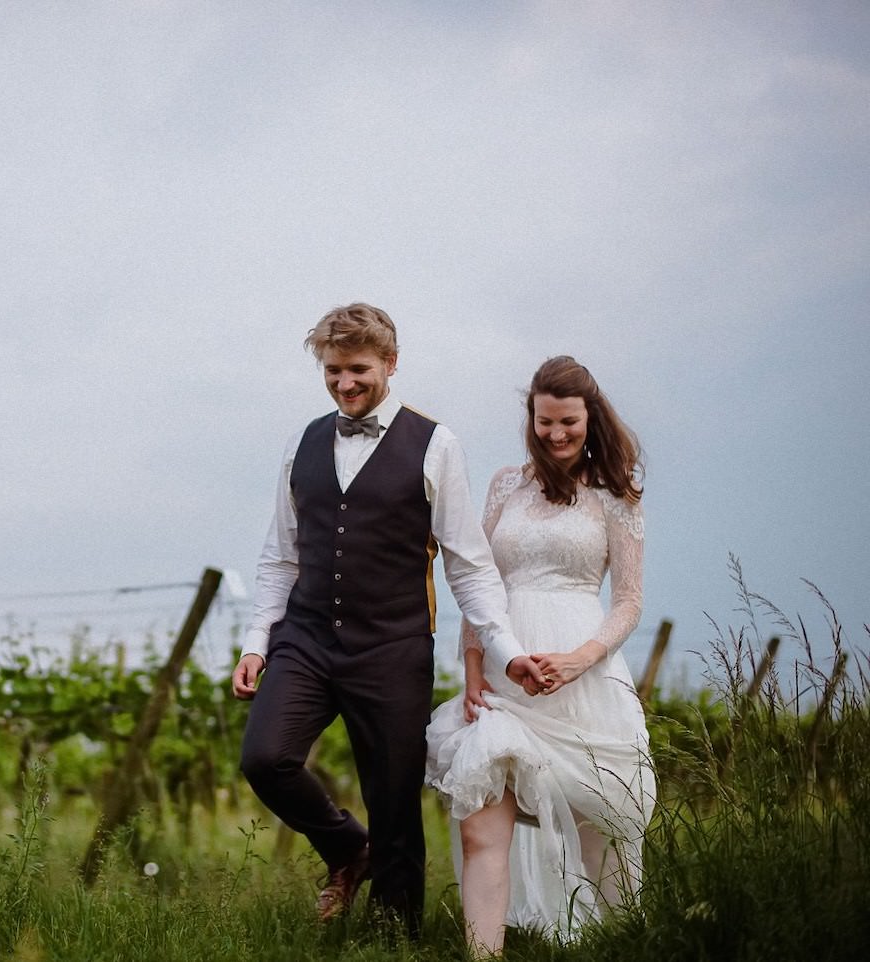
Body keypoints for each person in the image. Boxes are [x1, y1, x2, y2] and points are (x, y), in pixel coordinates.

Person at [232, 303, 544, 935]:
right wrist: (257, 641)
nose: (344, 384)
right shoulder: (302, 441)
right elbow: (279, 554)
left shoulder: (436, 444)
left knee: (394, 800)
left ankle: (394, 939)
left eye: (358, 370)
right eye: (332, 371)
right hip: (307, 639)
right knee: (265, 757)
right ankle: (349, 848)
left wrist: (504, 647)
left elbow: (468, 563)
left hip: (393, 647)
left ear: (391, 364)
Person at [424, 355, 655, 957]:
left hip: (583, 675)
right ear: (531, 417)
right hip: (504, 674)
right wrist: (474, 673)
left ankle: (628, 944)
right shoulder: (507, 484)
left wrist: (581, 659)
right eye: (544, 421)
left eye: (569, 423)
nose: (556, 435)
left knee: (599, 829)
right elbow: (481, 583)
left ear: (591, 417)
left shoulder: (616, 494)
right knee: (481, 825)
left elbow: (628, 601)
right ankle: (484, 954)